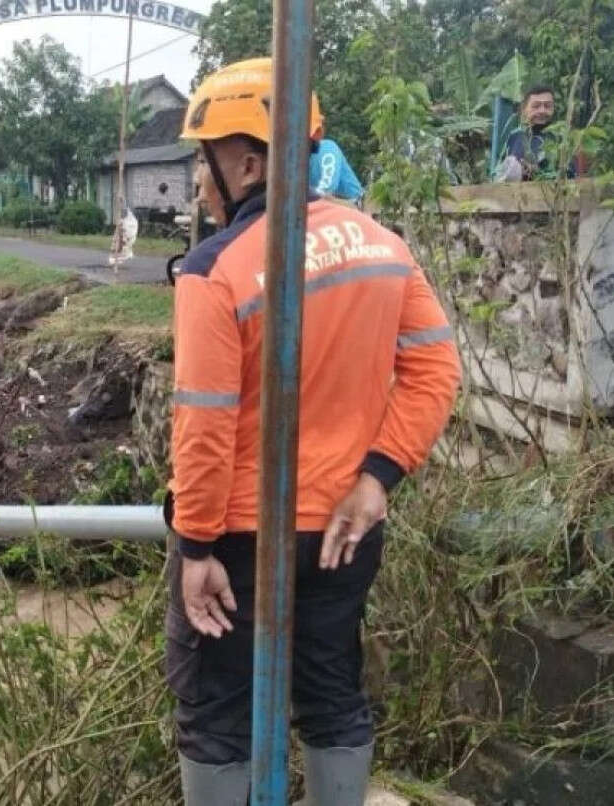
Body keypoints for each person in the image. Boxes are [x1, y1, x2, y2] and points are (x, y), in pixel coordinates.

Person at [166, 57, 460, 805]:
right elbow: (437, 372)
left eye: (205, 164)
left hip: (238, 538)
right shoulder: (383, 247)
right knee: (331, 693)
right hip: (342, 528)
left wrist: (196, 545)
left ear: (249, 160)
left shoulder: (214, 269)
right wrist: (377, 480)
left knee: (216, 715)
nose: (200, 184)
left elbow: (203, 422)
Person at [498, 84, 577, 181]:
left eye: (547, 106)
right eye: (536, 106)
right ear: (524, 109)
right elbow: (499, 173)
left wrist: (538, 172)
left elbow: (571, 174)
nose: (542, 111)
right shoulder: (514, 137)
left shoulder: (560, 138)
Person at [309, 133, 364, 203]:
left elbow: (326, 191)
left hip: (349, 203)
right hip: (318, 204)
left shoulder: (327, 148)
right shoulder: (296, 162)